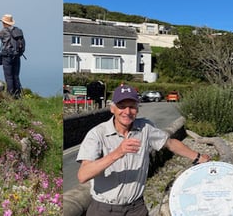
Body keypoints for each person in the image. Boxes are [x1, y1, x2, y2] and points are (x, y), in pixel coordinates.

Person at [77, 85, 210, 215]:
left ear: (137, 108)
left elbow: (170, 143)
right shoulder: (97, 134)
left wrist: (198, 157)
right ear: (112, 109)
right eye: (122, 106)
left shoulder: (145, 128)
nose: (127, 112)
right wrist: (117, 153)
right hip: (105, 209)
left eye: (132, 107)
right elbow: (83, 175)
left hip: (136, 208)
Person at [0, 14, 23, 98]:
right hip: (17, 56)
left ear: (4, 22)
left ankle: (10, 96)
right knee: (16, 76)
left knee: (9, 77)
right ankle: (18, 95)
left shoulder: (3, 31)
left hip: (7, 57)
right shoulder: (18, 30)